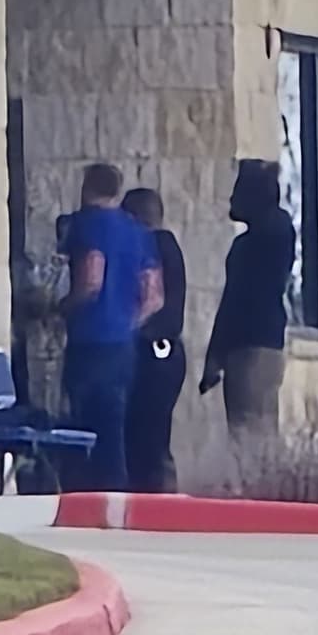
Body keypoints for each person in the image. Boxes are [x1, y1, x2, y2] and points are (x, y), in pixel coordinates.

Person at [59, 164, 163, 491]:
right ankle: (116, 492)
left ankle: (84, 495)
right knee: (114, 426)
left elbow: (92, 277)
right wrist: (128, 323)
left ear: (86, 187)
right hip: (123, 346)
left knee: (83, 428)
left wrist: (64, 307)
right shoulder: (137, 233)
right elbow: (154, 296)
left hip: (89, 341)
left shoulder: (86, 225)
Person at [200, 159, 296, 493]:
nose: (230, 200)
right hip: (257, 341)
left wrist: (216, 353)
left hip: (253, 342)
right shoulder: (267, 234)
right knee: (252, 425)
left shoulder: (269, 234)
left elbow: (236, 300)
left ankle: (260, 493)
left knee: (250, 427)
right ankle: (259, 490)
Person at [122, 189, 186, 493]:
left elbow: (154, 301)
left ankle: (155, 496)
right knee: (155, 434)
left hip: (156, 349)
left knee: (146, 433)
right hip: (168, 350)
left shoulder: (155, 246)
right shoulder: (168, 246)